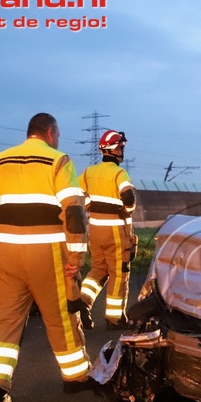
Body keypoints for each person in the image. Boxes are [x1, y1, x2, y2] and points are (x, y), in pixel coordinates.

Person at [0, 112, 91, 402]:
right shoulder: (58, 161)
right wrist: (76, 257)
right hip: (47, 253)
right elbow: (74, 210)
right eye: (58, 134)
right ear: (50, 132)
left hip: (6, 253)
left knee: (5, 320)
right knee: (61, 316)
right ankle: (76, 377)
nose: (58, 140)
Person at [78, 130, 137, 330]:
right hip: (116, 232)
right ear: (116, 150)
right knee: (118, 273)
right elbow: (128, 197)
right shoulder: (119, 173)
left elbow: (77, 193)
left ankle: (82, 302)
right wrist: (127, 211)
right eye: (121, 147)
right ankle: (115, 319)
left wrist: (89, 206)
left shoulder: (88, 172)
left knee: (98, 269)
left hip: (95, 231)